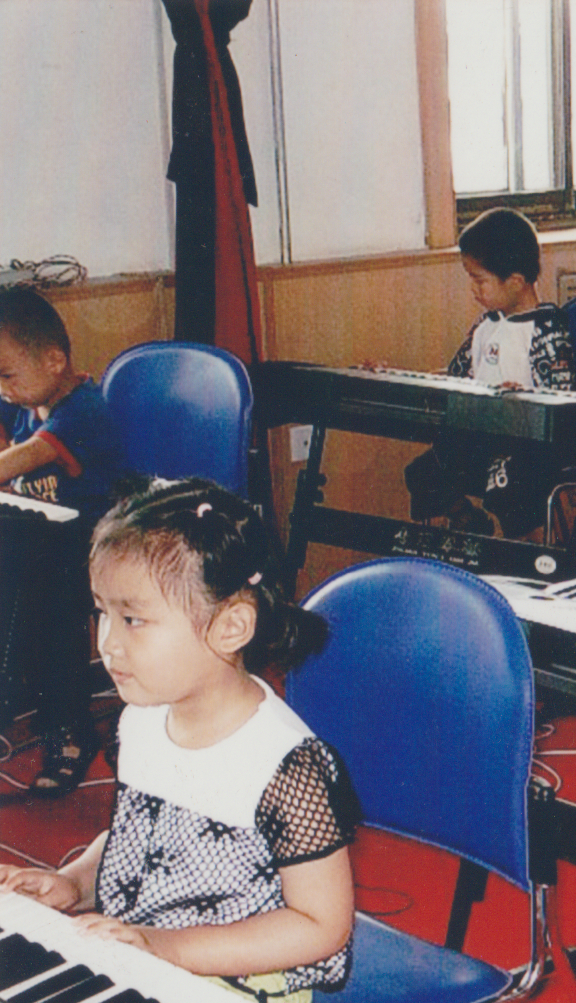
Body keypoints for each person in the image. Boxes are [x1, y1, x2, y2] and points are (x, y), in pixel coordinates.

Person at [0, 479, 359, 1002]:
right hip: (143, 956)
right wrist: (75, 883)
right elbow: (140, 840)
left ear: (231, 627)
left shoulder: (286, 767)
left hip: (235, 981)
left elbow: (320, 926)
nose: (107, 642)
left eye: (134, 619)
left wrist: (165, 946)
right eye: (102, 611)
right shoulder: (143, 718)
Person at [0, 285, 131, 794]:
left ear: (54, 360)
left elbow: (22, 460)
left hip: (97, 548)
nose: (3, 387)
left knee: (48, 604)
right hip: (46, 545)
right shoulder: (22, 405)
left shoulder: (83, 411)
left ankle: (68, 730)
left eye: (8, 374)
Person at [403, 207, 574, 537]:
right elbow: (459, 374)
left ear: (515, 282)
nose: (474, 290)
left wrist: (526, 397)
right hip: (481, 438)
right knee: (423, 473)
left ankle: (528, 556)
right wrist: (411, 376)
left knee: (507, 485)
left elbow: (563, 396)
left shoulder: (547, 331)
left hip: (525, 445)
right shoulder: (486, 326)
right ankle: (469, 523)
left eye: (479, 280)